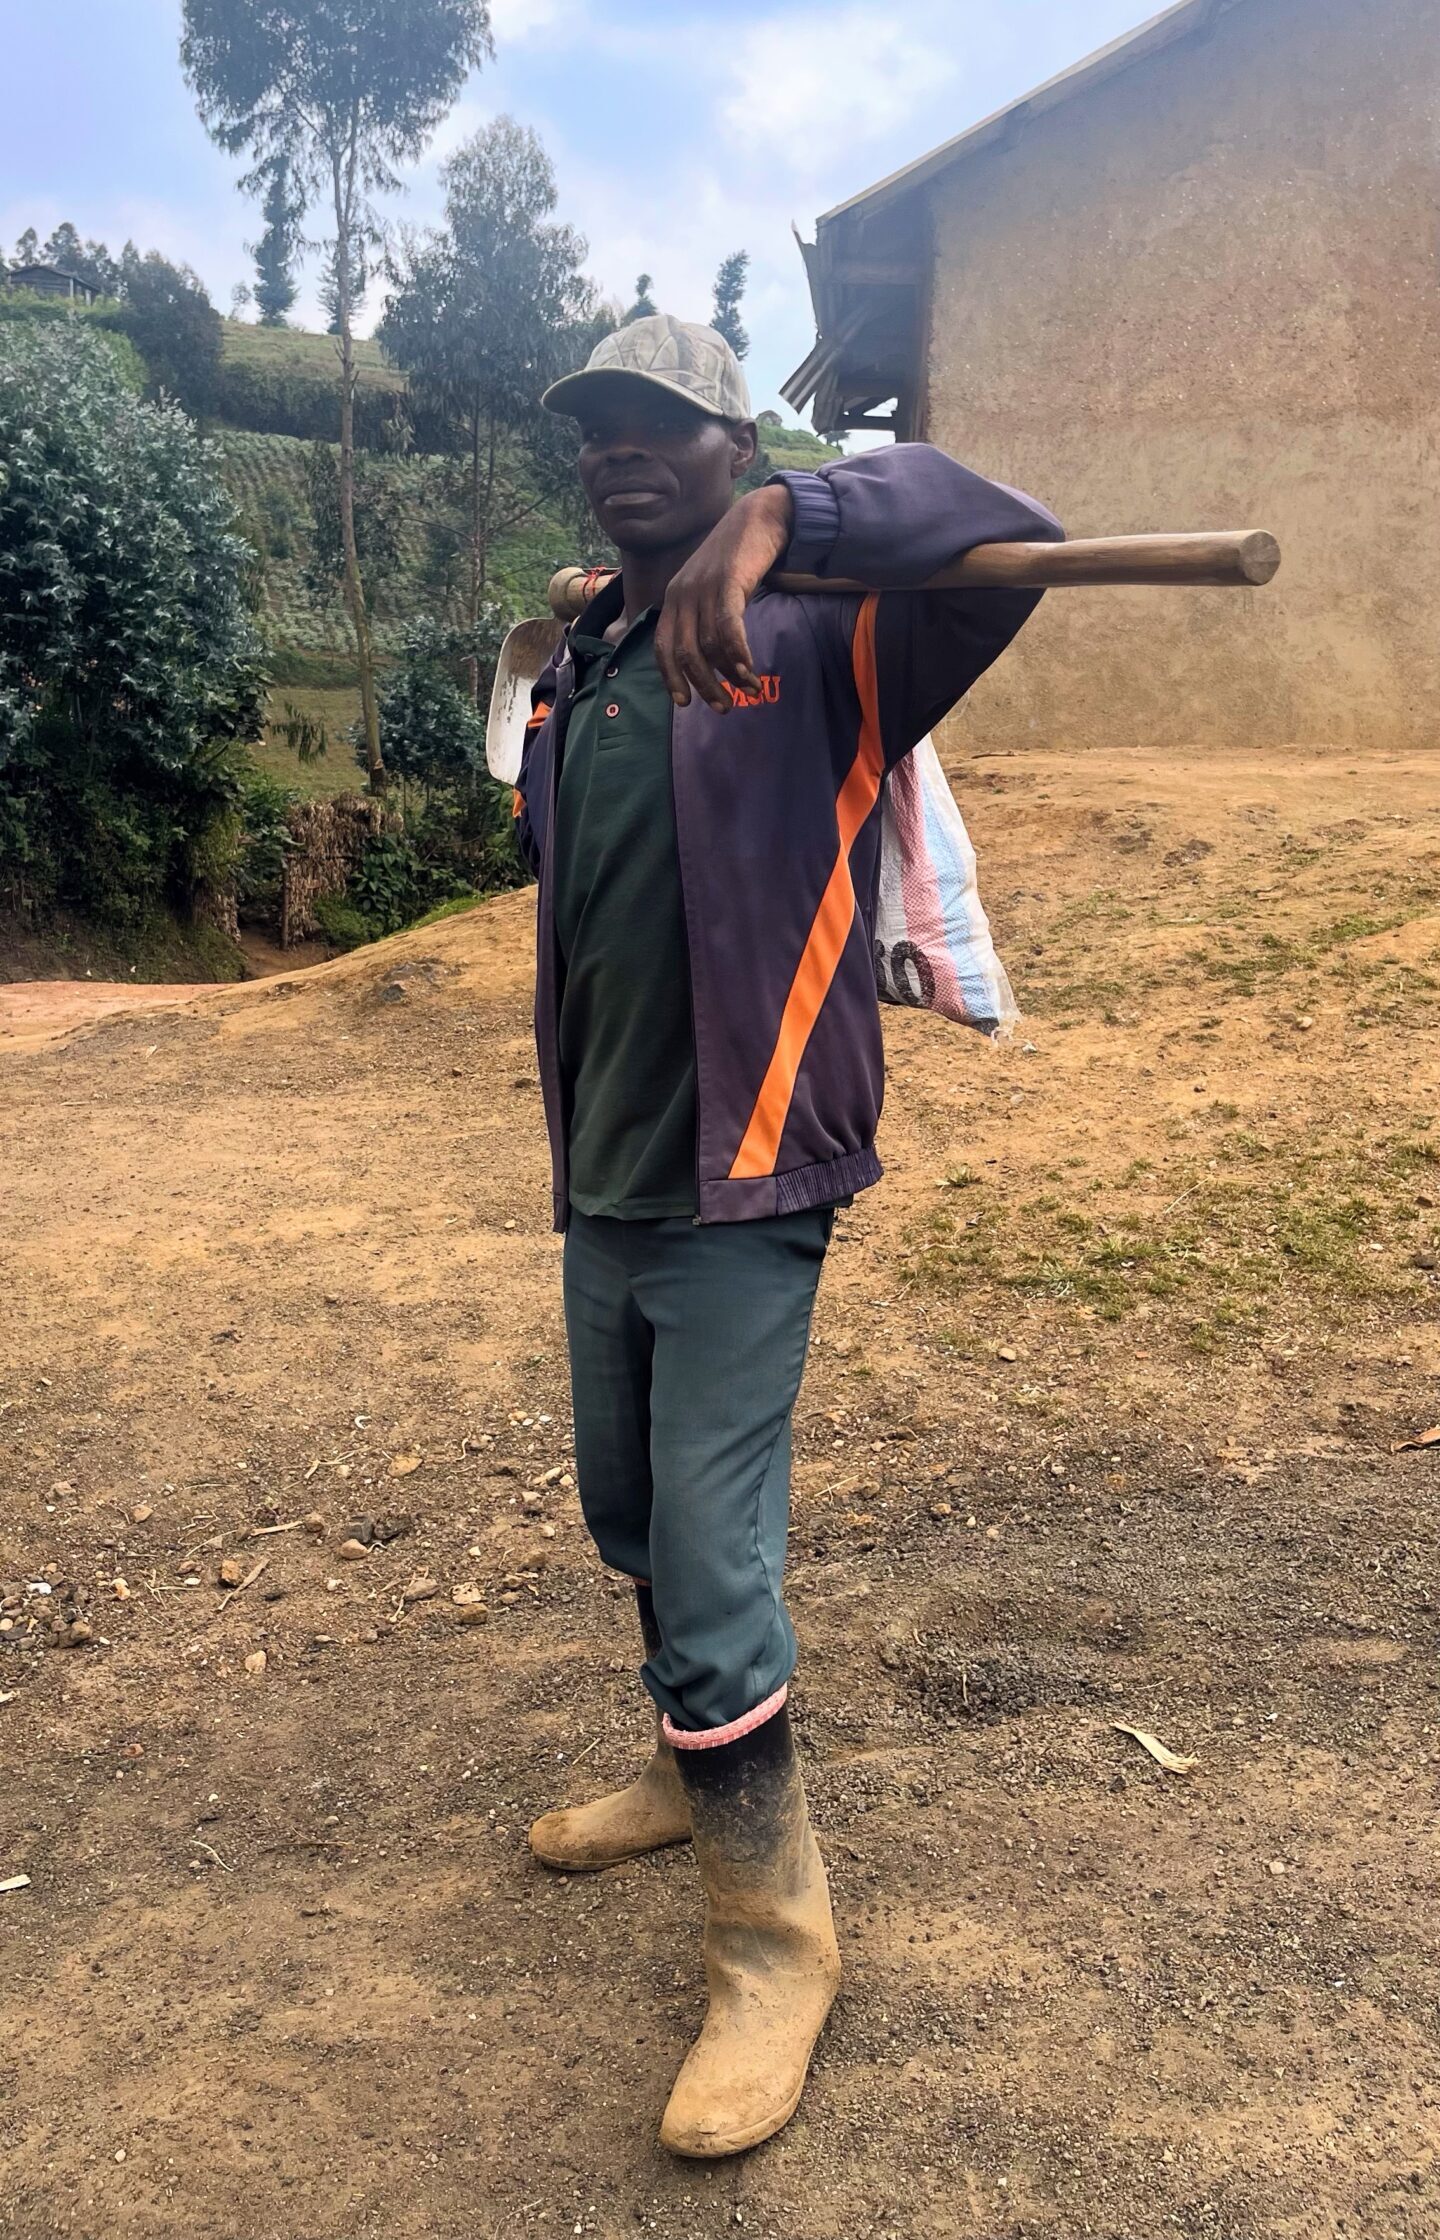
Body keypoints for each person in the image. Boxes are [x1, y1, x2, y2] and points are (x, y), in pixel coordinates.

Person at [515, 315, 1061, 2158]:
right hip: (603, 1169)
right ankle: (689, 1771)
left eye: (658, 427)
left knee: (712, 1552)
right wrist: (649, 583)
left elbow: (1001, 511)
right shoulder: (585, 654)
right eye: (596, 429)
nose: (618, 453)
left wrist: (788, 528)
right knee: (623, 1509)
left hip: (748, 1176)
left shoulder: (838, 634)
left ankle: (775, 1941)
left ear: (732, 441)